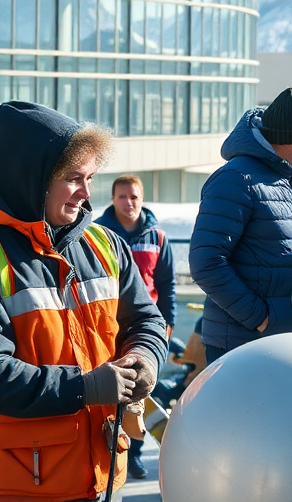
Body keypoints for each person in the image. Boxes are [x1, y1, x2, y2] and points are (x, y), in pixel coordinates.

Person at [0, 102, 168, 500]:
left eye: (90, 178)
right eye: (73, 179)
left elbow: (146, 319)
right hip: (24, 485)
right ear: (30, 180)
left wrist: (145, 357)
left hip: (104, 475)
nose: (87, 194)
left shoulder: (105, 244)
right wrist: (83, 388)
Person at [190, 89, 292, 362]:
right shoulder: (234, 180)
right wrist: (261, 319)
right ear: (290, 140)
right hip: (240, 343)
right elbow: (206, 262)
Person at [95, 174, 177, 479]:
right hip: (108, 327)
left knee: (141, 394)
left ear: (142, 199)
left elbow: (166, 286)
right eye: (122, 196)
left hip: (143, 330)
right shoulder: (99, 235)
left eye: (134, 197)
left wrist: (166, 326)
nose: (128, 202)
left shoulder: (158, 238)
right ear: (112, 199)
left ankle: (134, 454)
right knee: (110, 391)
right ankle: (108, 453)